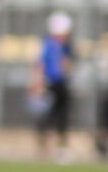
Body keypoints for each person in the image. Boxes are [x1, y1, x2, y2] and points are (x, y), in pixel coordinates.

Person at [32, 11, 77, 161]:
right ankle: (43, 149)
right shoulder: (49, 45)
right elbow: (40, 64)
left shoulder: (66, 47)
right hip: (49, 85)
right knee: (46, 118)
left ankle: (62, 148)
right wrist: (38, 83)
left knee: (62, 118)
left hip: (61, 85)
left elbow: (68, 65)